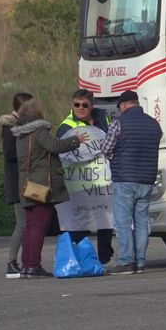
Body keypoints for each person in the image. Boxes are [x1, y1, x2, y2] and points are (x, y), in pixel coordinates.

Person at [9, 97, 83, 279]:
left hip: (26, 186)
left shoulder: (20, 135)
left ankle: (27, 265)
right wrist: (76, 140)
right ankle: (34, 265)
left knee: (30, 227)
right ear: (37, 113)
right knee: (39, 227)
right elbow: (54, 146)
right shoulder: (39, 130)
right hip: (41, 186)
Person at [98, 89, 163, 274]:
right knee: (141, 221)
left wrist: (114, 156)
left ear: (124, 105)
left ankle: (126, 261)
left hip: (125, 178)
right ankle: (140, 261)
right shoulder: (154, 124)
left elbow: (105, 148)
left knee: (123, 222)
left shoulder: (119, 123)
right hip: (147, 179)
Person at [56, 90, 113, 265]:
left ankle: (105, 257)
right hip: (79, 183)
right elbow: (61, 151)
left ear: (91, 105)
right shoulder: (66, 126)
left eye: (84, 105)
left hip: (102, 180)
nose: (80, 108)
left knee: (105, 220)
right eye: (76, 105)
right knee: (81, 221)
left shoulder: (104, 119)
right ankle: (79, 256)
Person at [0, 91, 33, 278]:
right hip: (17, 182)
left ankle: (25, 261)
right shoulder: (11, 127)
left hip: (24, 181)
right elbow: (11, 155)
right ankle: (11, 262)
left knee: (27, 223)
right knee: (22, 224)